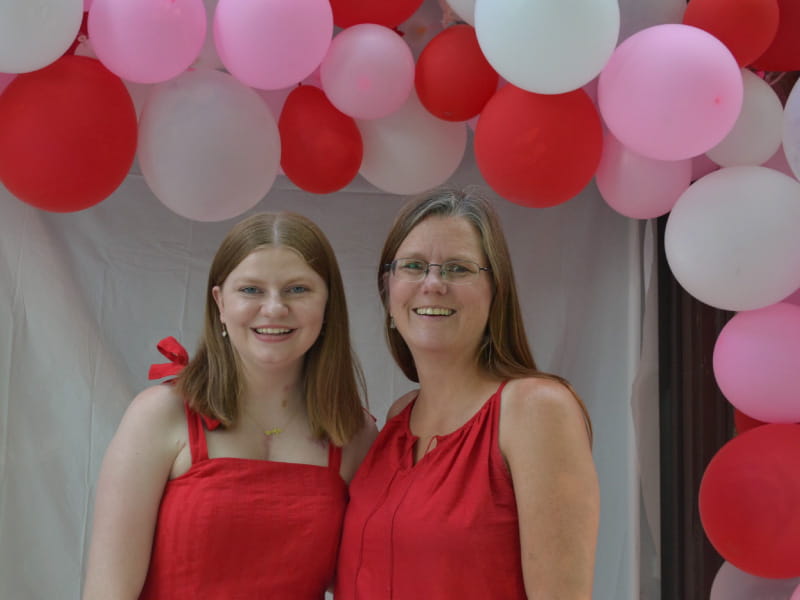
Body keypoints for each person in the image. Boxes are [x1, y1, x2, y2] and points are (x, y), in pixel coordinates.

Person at [82, 212, 377, 600]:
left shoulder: (355, 434)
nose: (274, 308)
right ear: (220, 302)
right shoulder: (160, 415)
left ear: (328, 304)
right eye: (251, 289)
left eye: (297, 289)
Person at [335, 187, 600, 599]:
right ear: (388, 290)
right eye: (414, 266)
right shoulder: (398, 417)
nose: (433, 283)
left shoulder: (536, 410)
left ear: (496, 291)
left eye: (458, 268)